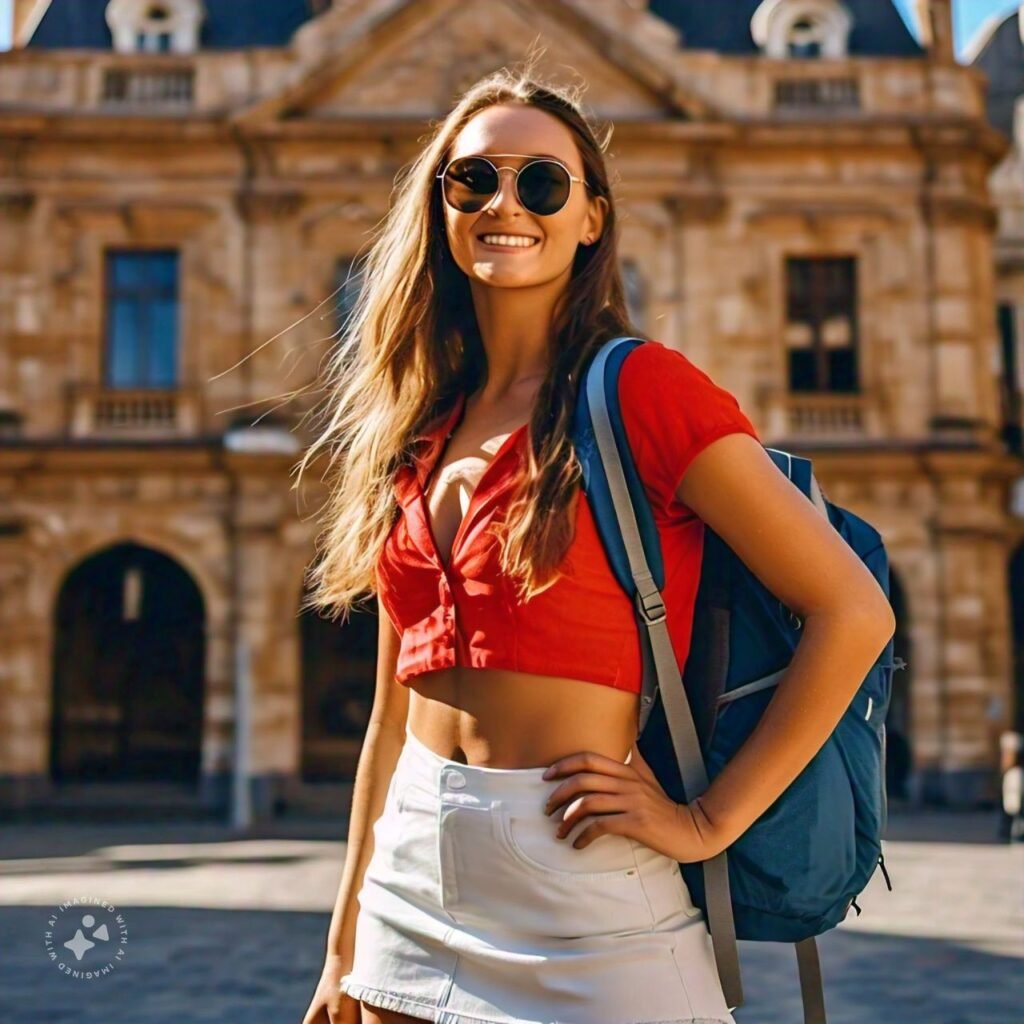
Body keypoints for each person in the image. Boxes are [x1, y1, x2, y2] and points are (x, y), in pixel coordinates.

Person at [296, 60, 896, 1024]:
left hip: (582, 879)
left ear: (591, 218)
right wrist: (341, 942)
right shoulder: (420, 424)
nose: (505, 202)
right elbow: (387, 720)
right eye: (473, 179)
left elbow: (852, 610)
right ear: (441, 208)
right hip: (408, 876)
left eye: (541, 182)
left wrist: (708, 821)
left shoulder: (642, 391)